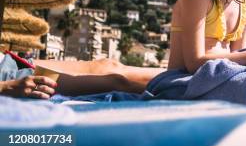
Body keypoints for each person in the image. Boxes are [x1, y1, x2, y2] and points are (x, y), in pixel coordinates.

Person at [0, 52, 164, 99]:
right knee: (115, 80)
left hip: (10, 63)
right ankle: (181, 82)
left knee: (108, 65)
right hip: (9, 77)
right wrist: (5, 87)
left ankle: (181, 79)